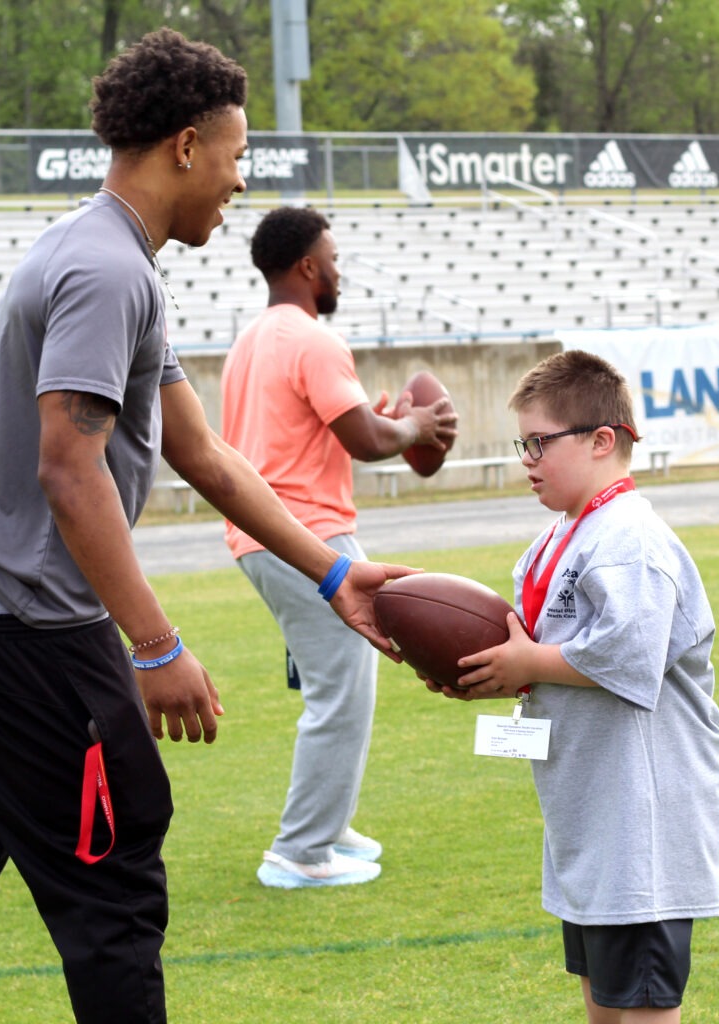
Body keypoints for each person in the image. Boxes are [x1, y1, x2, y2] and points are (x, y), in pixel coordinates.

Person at [0, 30, 417, 1024]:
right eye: (232, 158)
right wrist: (156, 645)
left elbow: (207, 456)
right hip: (12, 616)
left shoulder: (109, 257)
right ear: (185, 146)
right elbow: (70, 467)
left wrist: (332, 575)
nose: (237, 185)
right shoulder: (109, 272)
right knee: (114, 875)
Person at [429, 349, 719, 1022]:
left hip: (642, 817)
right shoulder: (559, 537)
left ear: (601, 440)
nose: (527, 458)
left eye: (540, 442)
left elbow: (631, 656)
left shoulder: (628, 538)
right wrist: (489, 672)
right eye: (523, 443)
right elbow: (537, 649)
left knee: (645, 1001)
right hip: (592, 809)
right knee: (602, 993)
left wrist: (529, 664)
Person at [220, 207, 458, 889]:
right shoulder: (315, 339)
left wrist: (385, 425)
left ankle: (328, 823)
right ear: (306, 266)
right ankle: (300, 852)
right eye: (332, 256)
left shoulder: (252, 340)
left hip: (264, 533)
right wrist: (414, 424)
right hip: (308, 535)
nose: (339, 269)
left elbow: (322, 434)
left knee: (339, 684)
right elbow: (367, 442)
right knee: (342, 692)